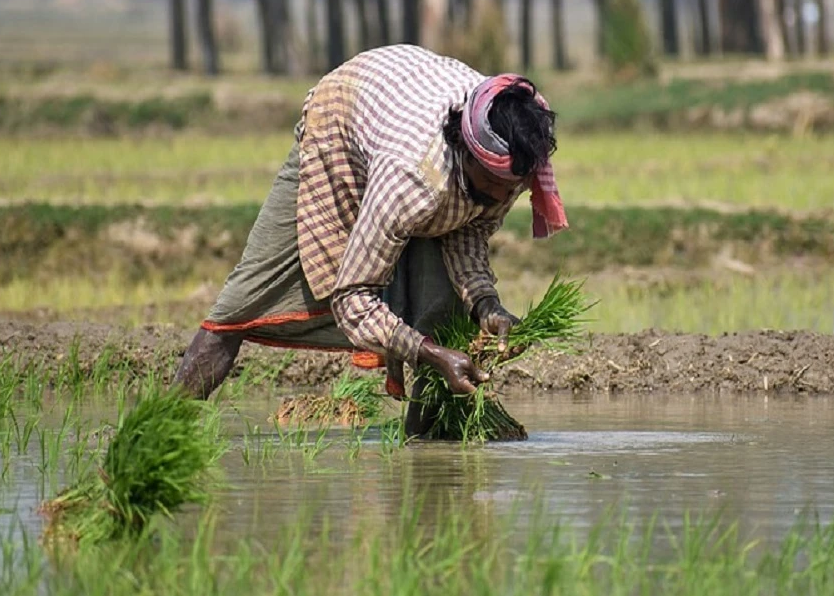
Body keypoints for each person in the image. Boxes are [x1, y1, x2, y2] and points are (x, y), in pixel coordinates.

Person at [171, 44, 565, 432]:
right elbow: (353, 297)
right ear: (465, 150)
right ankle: (156, 430)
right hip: (341, 125)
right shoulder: (410, 179)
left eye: (511, 187)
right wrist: (429, 354)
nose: (501, 197)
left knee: (447, 314)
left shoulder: (508, 159)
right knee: (242, 303)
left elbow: (470, 227)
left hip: (401, 105)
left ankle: (425, 453)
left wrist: (485, 304)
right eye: (494, 183)